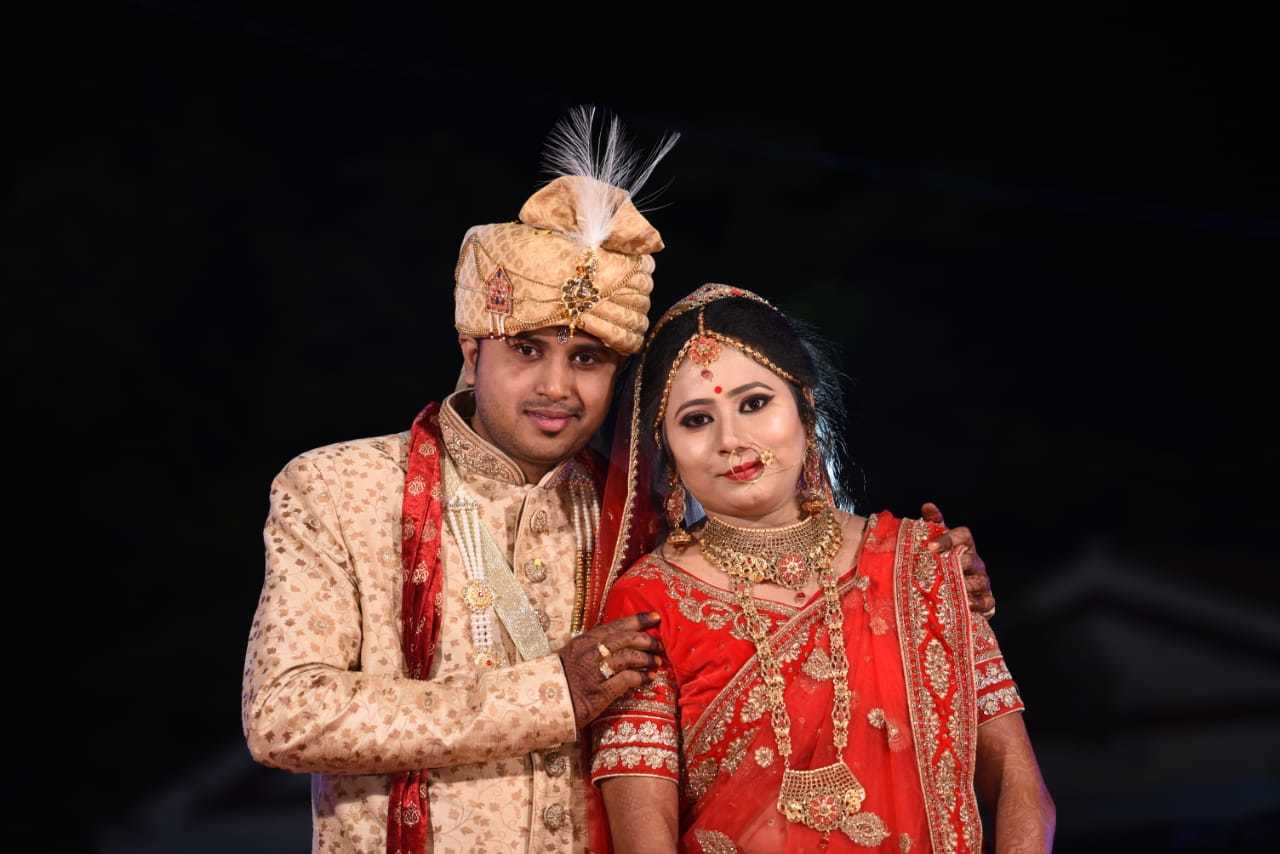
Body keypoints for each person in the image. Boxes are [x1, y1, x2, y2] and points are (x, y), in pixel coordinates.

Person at [243, 110, 999, 854]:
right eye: (527, 349)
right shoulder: (339, 489)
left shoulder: (640, 517)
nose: (556, 386)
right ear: (472, 351)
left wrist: (917, 583)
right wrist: (552, 694)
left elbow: (792, 618)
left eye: (588, 358)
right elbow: (282, 714)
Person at [588, 285, 1055, 852]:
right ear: (665, 448)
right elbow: (645, 838)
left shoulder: (919, 562)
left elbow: (1019, 786)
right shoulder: (649, 601)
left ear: (804, 408)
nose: (731, 440)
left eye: (754, 404)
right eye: (696, 419)